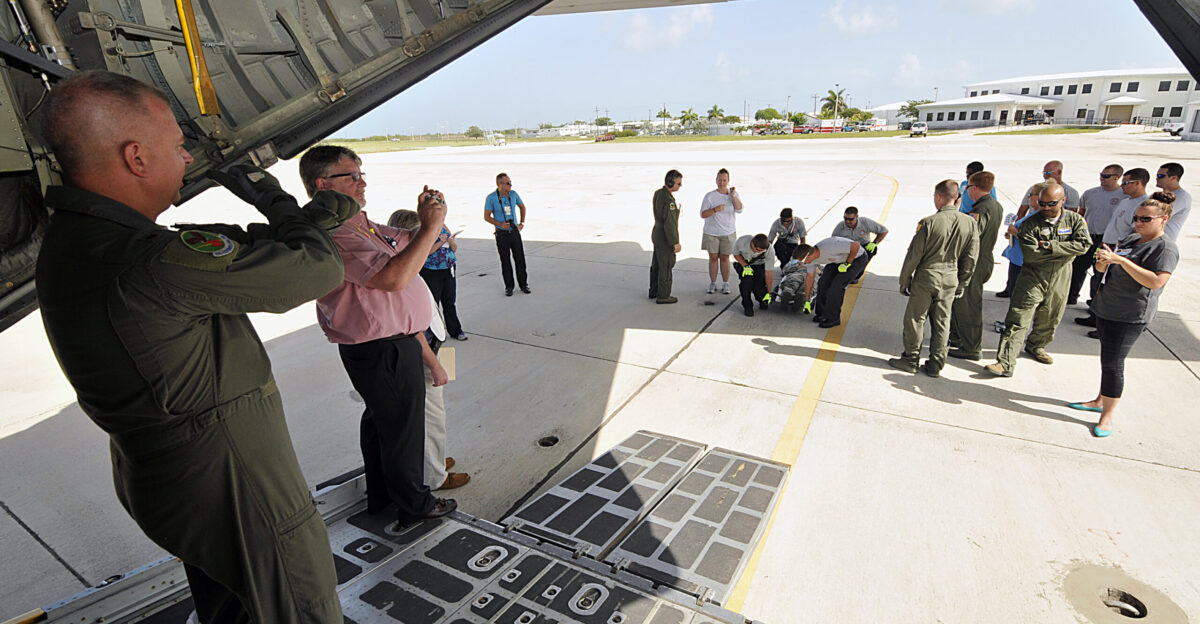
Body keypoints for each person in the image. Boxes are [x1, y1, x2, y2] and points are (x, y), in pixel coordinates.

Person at [36, 71, 356, 623]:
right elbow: (315, 269)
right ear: (136, 157)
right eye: (178, 147)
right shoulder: (151, 261)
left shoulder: (80, 242)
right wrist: (274, 195)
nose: (187, 160)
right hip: (236, 484)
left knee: (229, 609)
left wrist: (311, 216)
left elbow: (243, 247)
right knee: (301, 607)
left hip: (170, 481)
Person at [304, 145, 458, 527]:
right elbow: (393, 278)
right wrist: (432, 227)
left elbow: (406, 242)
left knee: (384, 426)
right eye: (351, 176)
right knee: (404, 431)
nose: (362, 182)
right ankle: (415, 506)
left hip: (390, 346)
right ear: (323, 184)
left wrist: (429, 222)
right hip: (382, 349)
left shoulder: (361, 225)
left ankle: (384, 496)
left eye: (361, 173)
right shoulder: (338, 234)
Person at [1067, 193, 1178, 437]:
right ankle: (1099, 400)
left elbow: (1156, 282)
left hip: (1129, 314)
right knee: (1107, 360)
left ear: (1163, 219)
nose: (1138, 222)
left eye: (1145, 219)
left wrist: (1120, 261)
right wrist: (1102, 263)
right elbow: (1103, 267)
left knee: (1114, 364)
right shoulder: (1132, 238)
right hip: (1108, 308)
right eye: (1136, 217)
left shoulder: (1164, 248)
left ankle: (1107, 416)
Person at [388, 210, 470, 490]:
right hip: (425, 355)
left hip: (436, 346)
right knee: (431, 418)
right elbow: (410, 329)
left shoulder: (410, 267)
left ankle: (432, 460)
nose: (432, 243)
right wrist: (434, 364)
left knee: (437, 412)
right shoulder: (401, 275)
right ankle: (434, 477)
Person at [985, 184, 1091, 377]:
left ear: (1063, 200)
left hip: (1060, 277)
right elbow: (1032, 254)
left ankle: (1036, 346)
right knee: (1018, 319)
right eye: (1042, 203)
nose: (1046, 208)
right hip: (1033, 277)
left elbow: (1084, 246)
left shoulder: (1074, 220)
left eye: (1052, 203)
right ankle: (1005, 362)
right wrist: (1065, 251)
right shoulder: (1030, 223)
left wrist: (1050, 246)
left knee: (1051, 317)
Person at [889, 180, 979, 376]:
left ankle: (911, 359)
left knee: (915, 319)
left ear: (939, 197)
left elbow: (914, 255)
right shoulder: (970, 223)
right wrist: (962, 282)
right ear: (957, 197)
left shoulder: (928, 222)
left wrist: (905, 280)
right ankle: (936, 365)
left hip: (927, 277)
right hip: (951, 277)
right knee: (942, 322)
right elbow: (971, 258)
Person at [1075, 168, 1150, 333]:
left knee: (1108, 285)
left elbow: (1135, 231)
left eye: (1125, 182)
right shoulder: (1126, 200)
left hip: (1119, 251)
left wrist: (1119, 251)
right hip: (1107, 245)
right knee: (1098, 279)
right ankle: (1095, 315)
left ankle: (1102, 324)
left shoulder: (1142, 205)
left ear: (1138, 183)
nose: (1122, 186)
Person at [948, 172, 1004, 360]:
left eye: (968, 188)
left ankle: (971, 347)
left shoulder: (980, 210)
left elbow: (971, 236)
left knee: (968, 306)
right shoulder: (995, 205)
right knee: (960, 303)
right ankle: (958, 338)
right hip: (983, 260)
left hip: (975, 263)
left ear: (974, 188)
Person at [398, 210, 467, 341]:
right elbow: (425, 251)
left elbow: (454, 248)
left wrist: (451, 242)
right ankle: (433, 333)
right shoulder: (423, 229)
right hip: (431, 271)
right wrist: (440, 242)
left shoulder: (443, 225)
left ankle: (455, 330)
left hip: (448, 268)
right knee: (433, 303)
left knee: (450, 301)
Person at [1068, 164, 1125, 306]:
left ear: (1117, 178)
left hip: (1106, 241)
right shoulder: (1090, 193)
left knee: (1099, 273)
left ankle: (1095, 303)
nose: (1102, 178)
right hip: (1087, 236)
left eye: (1106, 176)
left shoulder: (1124, 196)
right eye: (1101, 175)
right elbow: (1080, 214)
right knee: (1077, 268)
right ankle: (1071, 296)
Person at [801, 236, 868, 328]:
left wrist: (847, 264)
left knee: (836, 286)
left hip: (856, 258)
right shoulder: (810, 260)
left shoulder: (831, 246)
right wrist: (807, 300)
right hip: (837, 260)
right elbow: (810, 278)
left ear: (809, 256)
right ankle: (822, 314)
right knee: (823, 283)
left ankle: (833, 318)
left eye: (804, 261)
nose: (803, 263)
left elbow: (856, 246)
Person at [484, 172, 530, 296]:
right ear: (500, 184)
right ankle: (509, 286)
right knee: (505, 260)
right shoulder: (491, 198)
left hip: (514, 231)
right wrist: (500, 224)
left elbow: (522, 207)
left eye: (510, 182)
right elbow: (486, 216)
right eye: (507, 183)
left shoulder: (513, 194)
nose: (510, 185)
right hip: (501, 233)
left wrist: (521, 222)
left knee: (519, 258)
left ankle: (523, 284)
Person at [699, 168, 743, 294]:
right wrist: (715, 209)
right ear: (716, 180)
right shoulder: (710, 196)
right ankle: (712, 283)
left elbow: (740, 209)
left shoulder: (733, 195)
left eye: (724, 180)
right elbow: (703, 214)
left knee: (725, 258)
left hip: (728, 232)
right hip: (711, 233)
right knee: (713, 258)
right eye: (720, 180)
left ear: (728, 181)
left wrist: (733, 196)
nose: (722, 182)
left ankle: (725, 283)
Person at [650, 169, 683, 304]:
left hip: (657, 233)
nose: (680, 186)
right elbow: (669, 224)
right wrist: (675, 242)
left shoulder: (658, 194)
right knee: (666, 265)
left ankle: (654, 290)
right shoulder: (669, 201)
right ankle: (663, 295)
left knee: (657, 264)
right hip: (665, 237)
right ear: (670, 183)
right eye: (678, 184)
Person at [831, 206, 888, 283]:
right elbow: (833, 242)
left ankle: (856, 276)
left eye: (851, 219)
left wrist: (875, 243)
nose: (847, 221)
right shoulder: (840, 227)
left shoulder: (865, 222)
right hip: (848, 249)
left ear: (857, 217)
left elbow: (884, 231)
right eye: (845, 218)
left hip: (864, 246)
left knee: (871, 251)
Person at [732, 233, 775, 316]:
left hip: (759, 266)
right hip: (745, 263)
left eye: (762, 251)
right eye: (758, 250)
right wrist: (745, 265)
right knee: (746, 284)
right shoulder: (742, 241)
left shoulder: (770, 250)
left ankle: (762, 299)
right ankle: (747, 306)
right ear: (752, 244)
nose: (759, 252)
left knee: (759, 289)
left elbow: (769, 272)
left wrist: (769, 293)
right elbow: (736, 254)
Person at [777, 244, 818, 313]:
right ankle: (787, 293)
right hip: (797, 273)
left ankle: (801, 296)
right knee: (793, 281)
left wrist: (819, 271)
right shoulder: (795, 262)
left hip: (811, 277)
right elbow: (785, 270)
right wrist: (797, 267)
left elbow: (824, 273)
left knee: (808, 286)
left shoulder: (817, 264)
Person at [1156, 162, 1191, 242]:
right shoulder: (1161, 195)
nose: (1157, 178)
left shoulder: (1181, 197)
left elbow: (1158, 216)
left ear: (1173, 178)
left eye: (1160, 176)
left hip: (1162, 243)